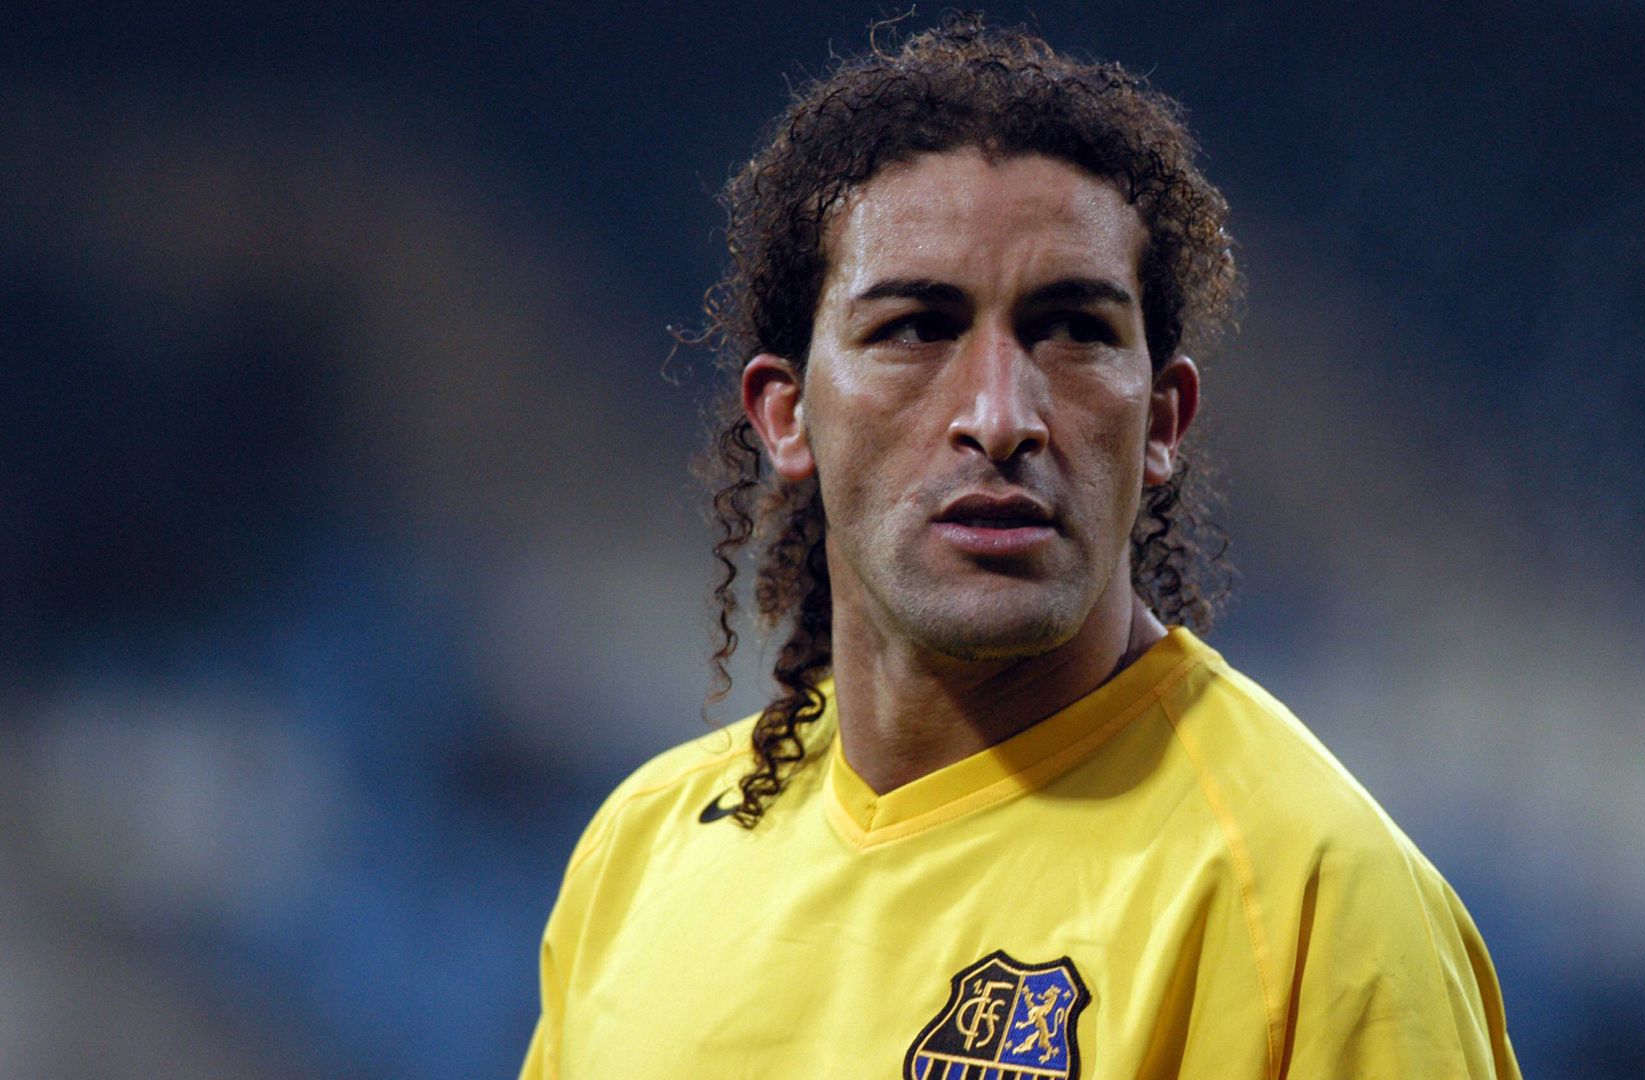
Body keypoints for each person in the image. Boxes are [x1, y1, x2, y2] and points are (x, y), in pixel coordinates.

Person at [522, 15, 1520, 1079]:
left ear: (1165, 421)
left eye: (1074, 330)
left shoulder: (1313, 902)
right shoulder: (640, 856)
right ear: (786, 415)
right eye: (915, 328)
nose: (1000, 418)